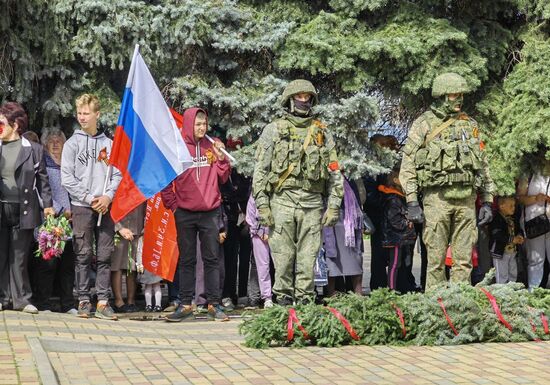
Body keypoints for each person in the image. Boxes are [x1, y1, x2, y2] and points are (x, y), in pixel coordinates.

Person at [400, 72, 495, 290]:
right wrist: (412, 201)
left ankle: (460, 307)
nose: (459, 98)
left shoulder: (469, 125)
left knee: (464, 262)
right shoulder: (423, 124)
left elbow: (483, 164)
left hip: (466, 200)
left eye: (460, 94)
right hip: (437, 200)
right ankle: (436, 306)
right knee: (436, 262)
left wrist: (487, 200)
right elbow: (408, 165)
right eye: (453, 94)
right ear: (442, 95)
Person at [252, 79, 344, 305]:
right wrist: (262, 205)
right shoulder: (273, 130)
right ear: (290, 99)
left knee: (307, 260)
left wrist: (333, 205)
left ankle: (304, 306)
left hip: (312, 204)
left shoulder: (322, 133)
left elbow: (334, 171)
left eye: (307, 97)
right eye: (299, 97)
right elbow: (260, 171)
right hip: (282, 202)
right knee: (282, 260)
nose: (304, 101)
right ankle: (282, 306)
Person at [161, 108, 230, 322]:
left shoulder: (213, 144)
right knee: (187, 260)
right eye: (197, 124)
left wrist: (221, 159)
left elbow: (223, 177)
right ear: (189, 124)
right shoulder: (178, 146)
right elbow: (166, 178)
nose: (201, 128)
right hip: (185, 212)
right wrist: (173, 205)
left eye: (204, 124)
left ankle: (214, 304)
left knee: (211, 259)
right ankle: (185, 304)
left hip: (210, 211)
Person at [61, 94, 121, 320]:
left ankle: (103, 301)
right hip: (82, 206)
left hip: (105, 207)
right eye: (80, 113)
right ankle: (84, 299)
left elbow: (117, 174)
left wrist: (108, 196)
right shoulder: (72, 144)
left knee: (105, 254)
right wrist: (88, 198)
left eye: (87, 113)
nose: (82, 117)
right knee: (83, 254)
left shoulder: (110, 144)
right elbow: (67, 178)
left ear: (97, 114)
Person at [0, 102, 54, 313]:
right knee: (1, 255)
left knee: (19, 257)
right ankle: (3, 298)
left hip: (24, 209)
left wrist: (48, 206)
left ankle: (22, 300)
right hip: (1, 209)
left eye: (2, 123)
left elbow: (43, 181)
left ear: (15, 124)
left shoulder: (33, 150)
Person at [32, 129, 76, 314]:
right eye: (52, 141)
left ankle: (68, 304)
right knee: (47, 265)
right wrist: (59, 210)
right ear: (45, 144)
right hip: (51, 221)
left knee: (67, 265)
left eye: (59, 140)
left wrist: (74, 211)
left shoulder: (69, 164)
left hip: (70, 222)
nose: (56, 144)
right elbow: (42, 190)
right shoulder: (44, 164)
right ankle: (43, 303)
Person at [323, 177, 364, 296]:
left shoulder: (354, 177)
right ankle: (331, 294)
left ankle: (357, 293)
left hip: (351, 220)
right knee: (332, 257)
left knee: (355, 258)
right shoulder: (329, 177)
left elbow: (362, 197)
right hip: (331, 219)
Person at [378, 168, 417, 291]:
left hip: (400, 238)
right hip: (394, 238)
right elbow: (394, 221)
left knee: (399, 264)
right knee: (394, 264)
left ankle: (397, 287)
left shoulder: (399, 197)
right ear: (395, 180)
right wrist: (408, 223)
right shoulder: (393, 199)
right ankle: (391, 289)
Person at [517, 150, 550, 290]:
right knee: (536, 260)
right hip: (535, 222)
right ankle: (533, 293)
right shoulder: (528, 173)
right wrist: (535, 199)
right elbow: (520, 198)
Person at [111, 204, 144, 313]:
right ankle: (118, 301)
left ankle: (131, 300)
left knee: (133, 265)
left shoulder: (142, 187)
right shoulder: (117, 187)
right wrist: (118, 227)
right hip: (119, 228)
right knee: (117, 265)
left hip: (137, 227)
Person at [246, 195, 274, 307]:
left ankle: (285, 295)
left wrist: (269, 232)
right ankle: (267, 297)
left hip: (277, 231)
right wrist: (258, 231)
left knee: (283, 264)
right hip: (259, 233)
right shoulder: (255, 193)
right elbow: (250, 215)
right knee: (263, 266)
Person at [488, 196, 523, 284]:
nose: (513, 208)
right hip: (500, 252)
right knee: (502, 274)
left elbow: (518, 229)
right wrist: (512, 239)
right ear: (501, 206)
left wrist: (519, 235)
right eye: (510, 206)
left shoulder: (512, 219)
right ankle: (501, 291)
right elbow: (497, 235)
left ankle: (512, 289)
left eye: (514, 205)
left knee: (513, 272)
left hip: (512, 252)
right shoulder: (496, 220)